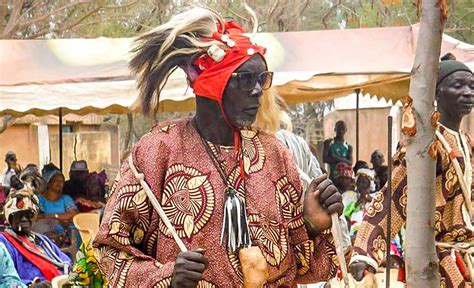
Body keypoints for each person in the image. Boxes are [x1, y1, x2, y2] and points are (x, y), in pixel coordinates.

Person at [94, 7, 343, 287]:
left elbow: (306, 269)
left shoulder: (275, 155)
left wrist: (310, 224)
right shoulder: (158, 150)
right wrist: (166, 277)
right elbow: (111, 251)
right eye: (246, 79)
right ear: (211, 83)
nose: (258, 90)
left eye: (262, 79)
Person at [349, 60, 474, 287]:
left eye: (472, 86)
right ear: (437, 92)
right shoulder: (426, 143)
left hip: (466, 259)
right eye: (458, 86)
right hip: (438, 263)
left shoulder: (465, 142)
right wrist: (365, 253)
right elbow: (395, 197)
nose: (467, 93)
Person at [0, 173, 71, 286]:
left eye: (28, 214)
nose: (24, 219)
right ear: (10, 217)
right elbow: (7, 279)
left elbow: (65, 261)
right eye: (20, 215)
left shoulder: (41, 239)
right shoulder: (4, 242)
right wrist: (31, 284)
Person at [36, 164, 78, 239]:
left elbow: (73, 214)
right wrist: (61, 219)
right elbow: (37, 217)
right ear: (48, 183)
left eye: (62, 181)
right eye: (56, 181)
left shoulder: (66, 199)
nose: (59, 183)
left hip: (64, 235)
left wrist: (52, 216)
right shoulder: (39, 199)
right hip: (45, 235)